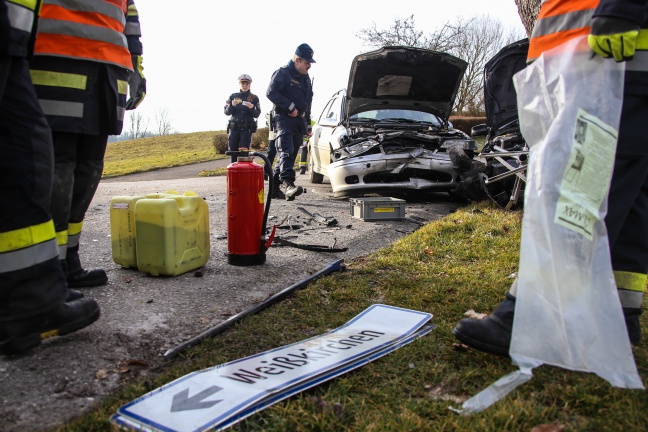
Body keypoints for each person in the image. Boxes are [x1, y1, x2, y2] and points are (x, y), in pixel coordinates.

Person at [453, 0, 648, 355]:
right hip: (604, 63)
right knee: (626, 199)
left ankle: (527, 317)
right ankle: (620, 317)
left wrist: (621, 8)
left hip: (609, 58)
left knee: (578, 195)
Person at [0, 0, 100, 356]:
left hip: (16, 38)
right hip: (34, 44)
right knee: (32, 157)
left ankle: (28, 301)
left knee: (26, 158)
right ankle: (29, 300)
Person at [30, 0, 146, 289]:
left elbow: (130, 23)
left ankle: (69, 258)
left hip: (109, 71)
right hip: (54, 60)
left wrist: (137, 71)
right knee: (59, 165)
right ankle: (48, 266)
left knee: (89, 167)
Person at [266, 43, 315, 201]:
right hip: (284, 119)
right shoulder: (283, 73)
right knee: (285, 151)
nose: (309, 66)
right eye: (307, 63)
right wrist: (290, 106)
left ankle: (274, 188)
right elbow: (271, 92)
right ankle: (288, 184)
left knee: (290, 155)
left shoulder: (305, 78)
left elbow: (308, 102)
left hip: (299, 121)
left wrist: (307, 123)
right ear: (297, 60)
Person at [224, 74, 261, 163]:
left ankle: (243, 172)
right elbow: (226, 112)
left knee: (244, 153)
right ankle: (233, 172)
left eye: (246, 84)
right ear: (239, 84)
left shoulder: (254, 98)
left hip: (246, 130)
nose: (244, 85)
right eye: (243, 83)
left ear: (250, 85)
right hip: (234, 129)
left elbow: (257, 114)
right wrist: (232, 106)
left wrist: (252, 108)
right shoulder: (233, 96)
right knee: (233, 152)